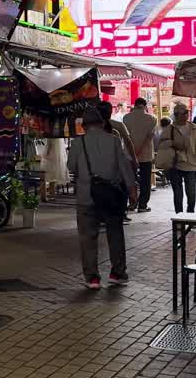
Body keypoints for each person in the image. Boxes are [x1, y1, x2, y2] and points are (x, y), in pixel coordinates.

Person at [67, 107, 138, 290]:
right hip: (111, 194)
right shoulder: (114, 141)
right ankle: (117, 273)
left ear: (84, 126)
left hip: (86, 195)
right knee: (115, 233)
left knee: (88, 237)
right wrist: (132, 191)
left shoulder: (77, 144)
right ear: (102, 123)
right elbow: (124, 167)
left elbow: (72, 167)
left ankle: (92, 278)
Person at [158, 103, 196, 214]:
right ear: (176, 115)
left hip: (191, 164)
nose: (187, 115)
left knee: (191, 193)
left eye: (188, 112)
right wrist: (173, 143)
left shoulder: (194, 128)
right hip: (175, 164)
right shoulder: (170, 129)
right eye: (184, 113)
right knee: (177, 193)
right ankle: (179, 216)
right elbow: (161, 145)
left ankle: (190, 214)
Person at [99, 101, 136, 222]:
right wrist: (134, 158)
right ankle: (121, 213)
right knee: (121, 188)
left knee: (102, 189)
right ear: (110, 112)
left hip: (99, 162)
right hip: (116, 162)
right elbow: (128, 142)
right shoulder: (118, 125)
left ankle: (103, 215)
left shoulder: (93, 128)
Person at [123, 98, 158, 213]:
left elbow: (127, 138)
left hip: (129, 155)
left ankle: (132, 203)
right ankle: (143, 205)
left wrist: (134, 153)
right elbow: (149, 138)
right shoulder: (152, 119)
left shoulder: (126, 118)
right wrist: (139, 151)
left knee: (130, 179)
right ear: (145, 106)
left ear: (135, 105)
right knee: (145, 180)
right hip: (146, 155)